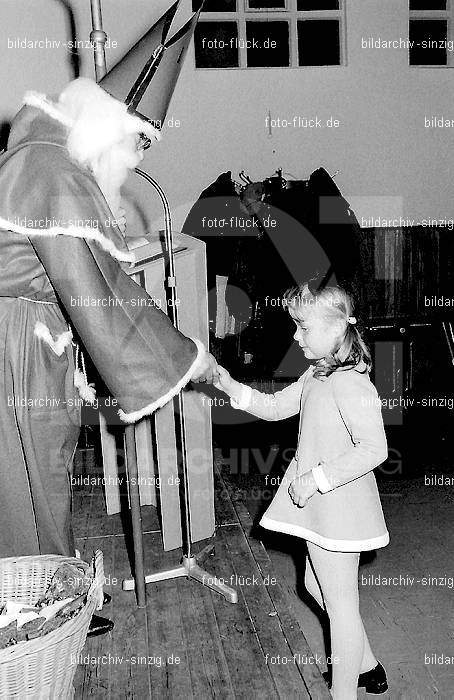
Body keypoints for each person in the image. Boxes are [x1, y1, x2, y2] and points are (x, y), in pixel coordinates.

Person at [0, 78, 218, 633]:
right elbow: (102, 292)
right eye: (135, 146)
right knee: (31, 477)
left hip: (26, 334)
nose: (133, 163)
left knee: (36, 474)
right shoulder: (54, 173)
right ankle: (41, 613)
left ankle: (48, 601)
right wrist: (188, 357)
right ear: (106, 135)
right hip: (16, 341)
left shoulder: (44, 158)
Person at [214, 282, 389, 699]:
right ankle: (368, 667)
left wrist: (318, 479)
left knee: (342, 608)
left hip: (341, 509)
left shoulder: (352, 383)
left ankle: (344, 692)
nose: (296, 336)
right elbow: (274, 407)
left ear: (336, 329)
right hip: (320, 507)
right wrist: (227, 384)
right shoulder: (317, 373)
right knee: (313, 587)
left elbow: (375, 448)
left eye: (303, 327)